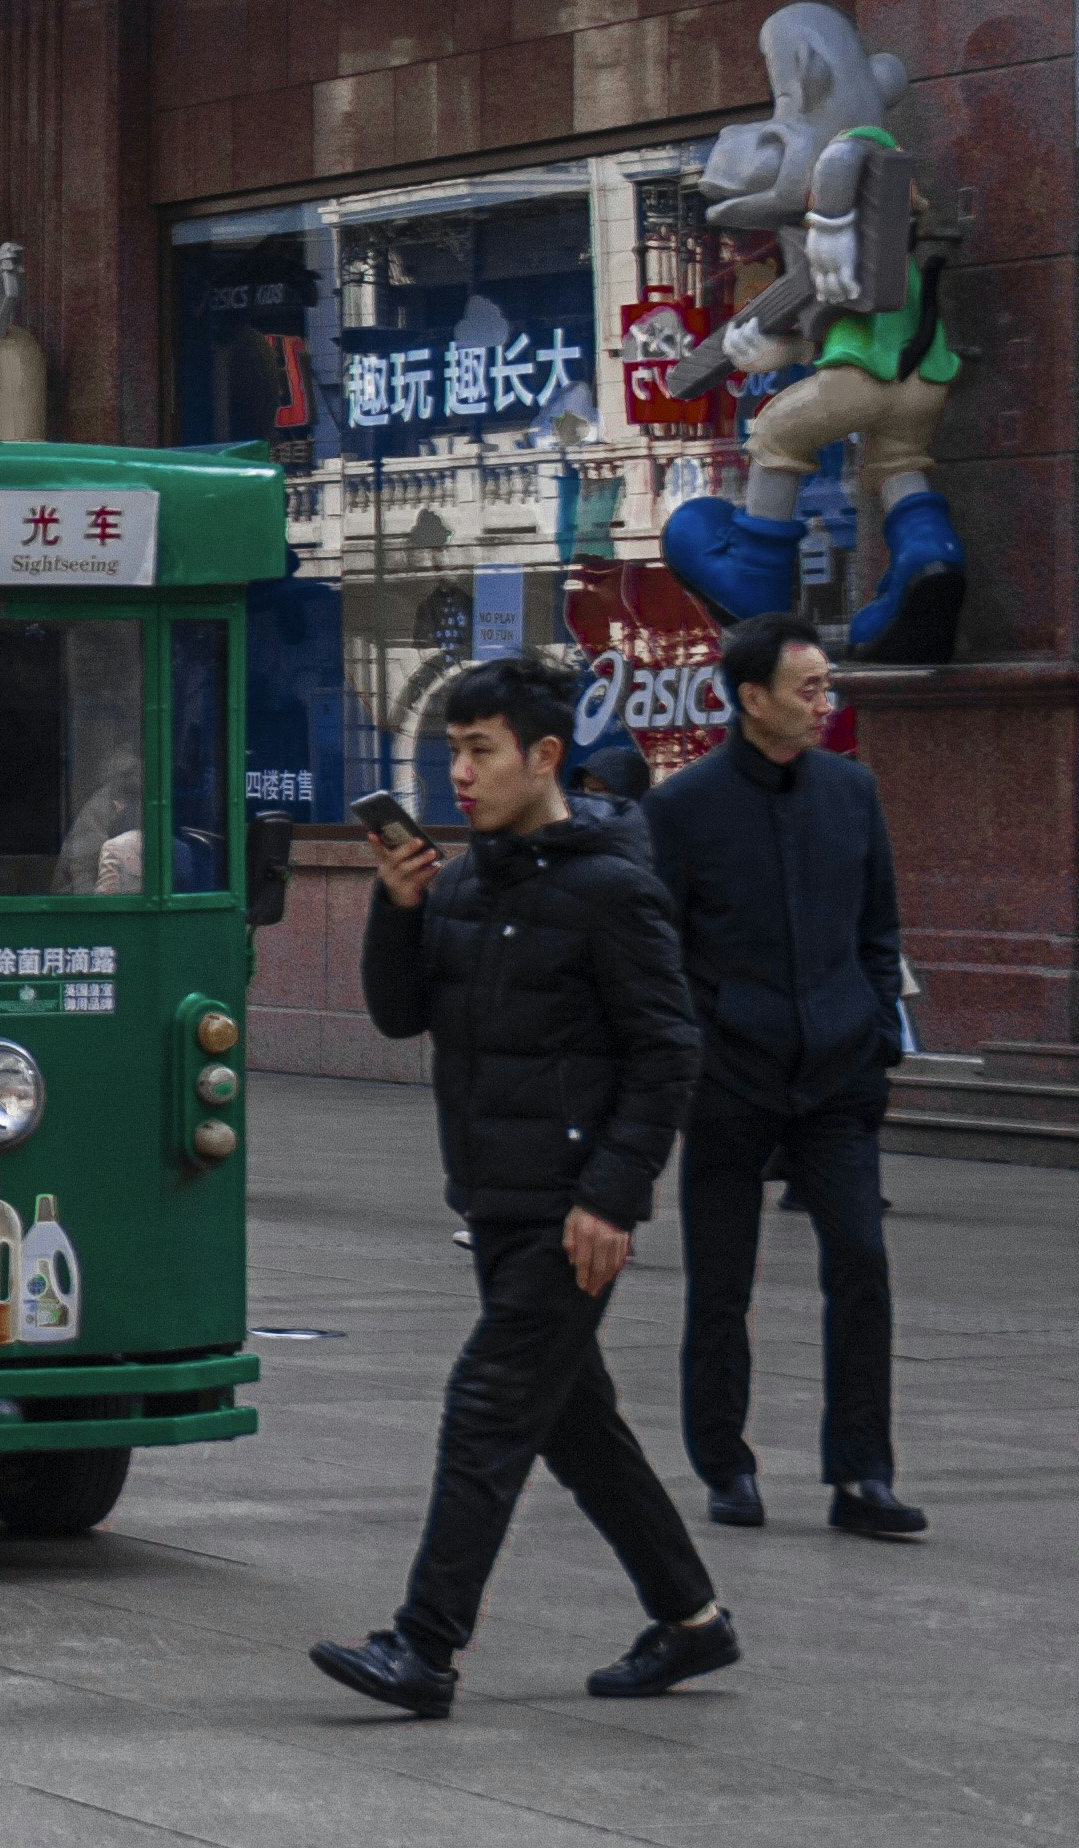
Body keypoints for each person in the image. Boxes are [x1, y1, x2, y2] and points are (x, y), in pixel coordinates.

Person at [312, 656, 734, 1718]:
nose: (460, 772)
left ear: (544, 756)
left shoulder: (613, 887)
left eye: (481, 750)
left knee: (489, 1406)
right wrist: (395, 908)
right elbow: (400, 1016)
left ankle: (425, 1648)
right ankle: (693, 1620)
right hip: (492, 1200)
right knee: (574, 1422)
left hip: (569, 1208)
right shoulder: (459, 882)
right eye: (452, 750)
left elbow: (669, 1049)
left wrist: (615, 1196)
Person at [645, 615, 926, 1539]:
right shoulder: (683, 808)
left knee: (861, 1260)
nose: (824, 703)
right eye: (807, 689)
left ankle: (863, 1475)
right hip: (732, 1078)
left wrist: (877, 1024)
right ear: (751, 698)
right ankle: (725, 1464)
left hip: (839, 1074)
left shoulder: (854, 793)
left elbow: (879, 930)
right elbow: (662, 950)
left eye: (828, 686)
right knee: (721, 1283)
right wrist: (705, 1048)